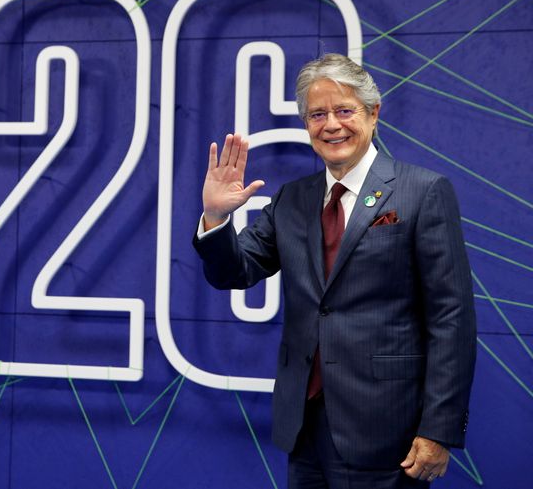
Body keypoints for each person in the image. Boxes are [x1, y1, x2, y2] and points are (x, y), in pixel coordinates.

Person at [193, 54, 476, 488]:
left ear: (373, 113)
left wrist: (438, 427)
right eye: (317, 114)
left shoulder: (423, 192)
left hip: (387, 430)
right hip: (303, 425)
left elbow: (451, 318)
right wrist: (215, 218)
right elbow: (235, 272)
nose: (332, 125)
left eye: (344, 111)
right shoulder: (292, 199)